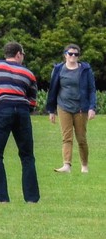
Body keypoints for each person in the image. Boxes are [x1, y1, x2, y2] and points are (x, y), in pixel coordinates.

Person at [0, 41, 41, 206]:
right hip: (22, 111)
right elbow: (32, 102)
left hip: (1, 110)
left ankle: (2, 197)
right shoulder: (29, 74)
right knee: (27, 156)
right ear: (18, 54)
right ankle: (31, 199)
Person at [45, 45, 96, 175]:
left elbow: (91, 90)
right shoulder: (58, 70)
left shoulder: (85, 69)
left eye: (76, 54)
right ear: (65, 55)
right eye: (70, 53)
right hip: (63, 107)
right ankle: (66, 165)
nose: (73, 56)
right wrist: (51, 110)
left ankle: (84, 165)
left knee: (81, 138)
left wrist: (92, 108)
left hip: (81, 108)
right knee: (66, 138)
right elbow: (53, 90)